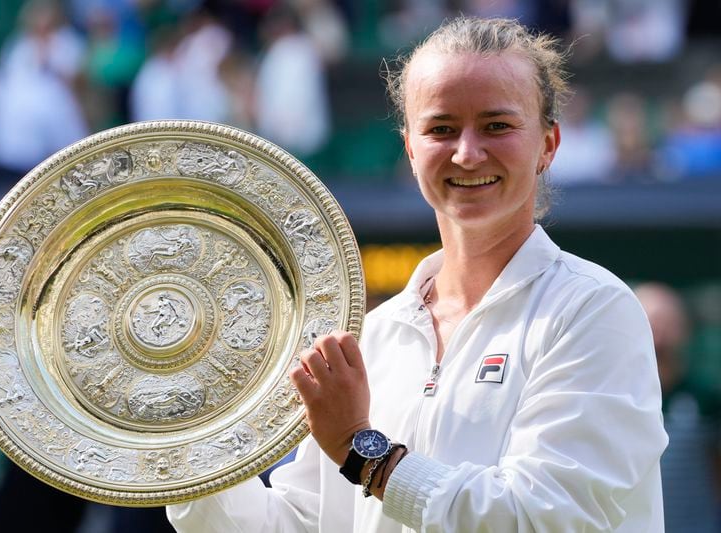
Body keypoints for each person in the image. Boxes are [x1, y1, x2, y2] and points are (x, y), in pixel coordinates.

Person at [167, 16, 667, 532]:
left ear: (548, 144)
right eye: (441, 128)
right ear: (409, 148)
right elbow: (302, 524)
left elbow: (544, 518)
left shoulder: (594, 311)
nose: (468, 153)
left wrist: (360, 450)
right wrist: (189, 441)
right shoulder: (375, 335)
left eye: (497, 125)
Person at [635, 282, 721, 533]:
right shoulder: (614, 400)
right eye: (651, 322)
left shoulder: (706, 401)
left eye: (666, 322)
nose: (659, 333)